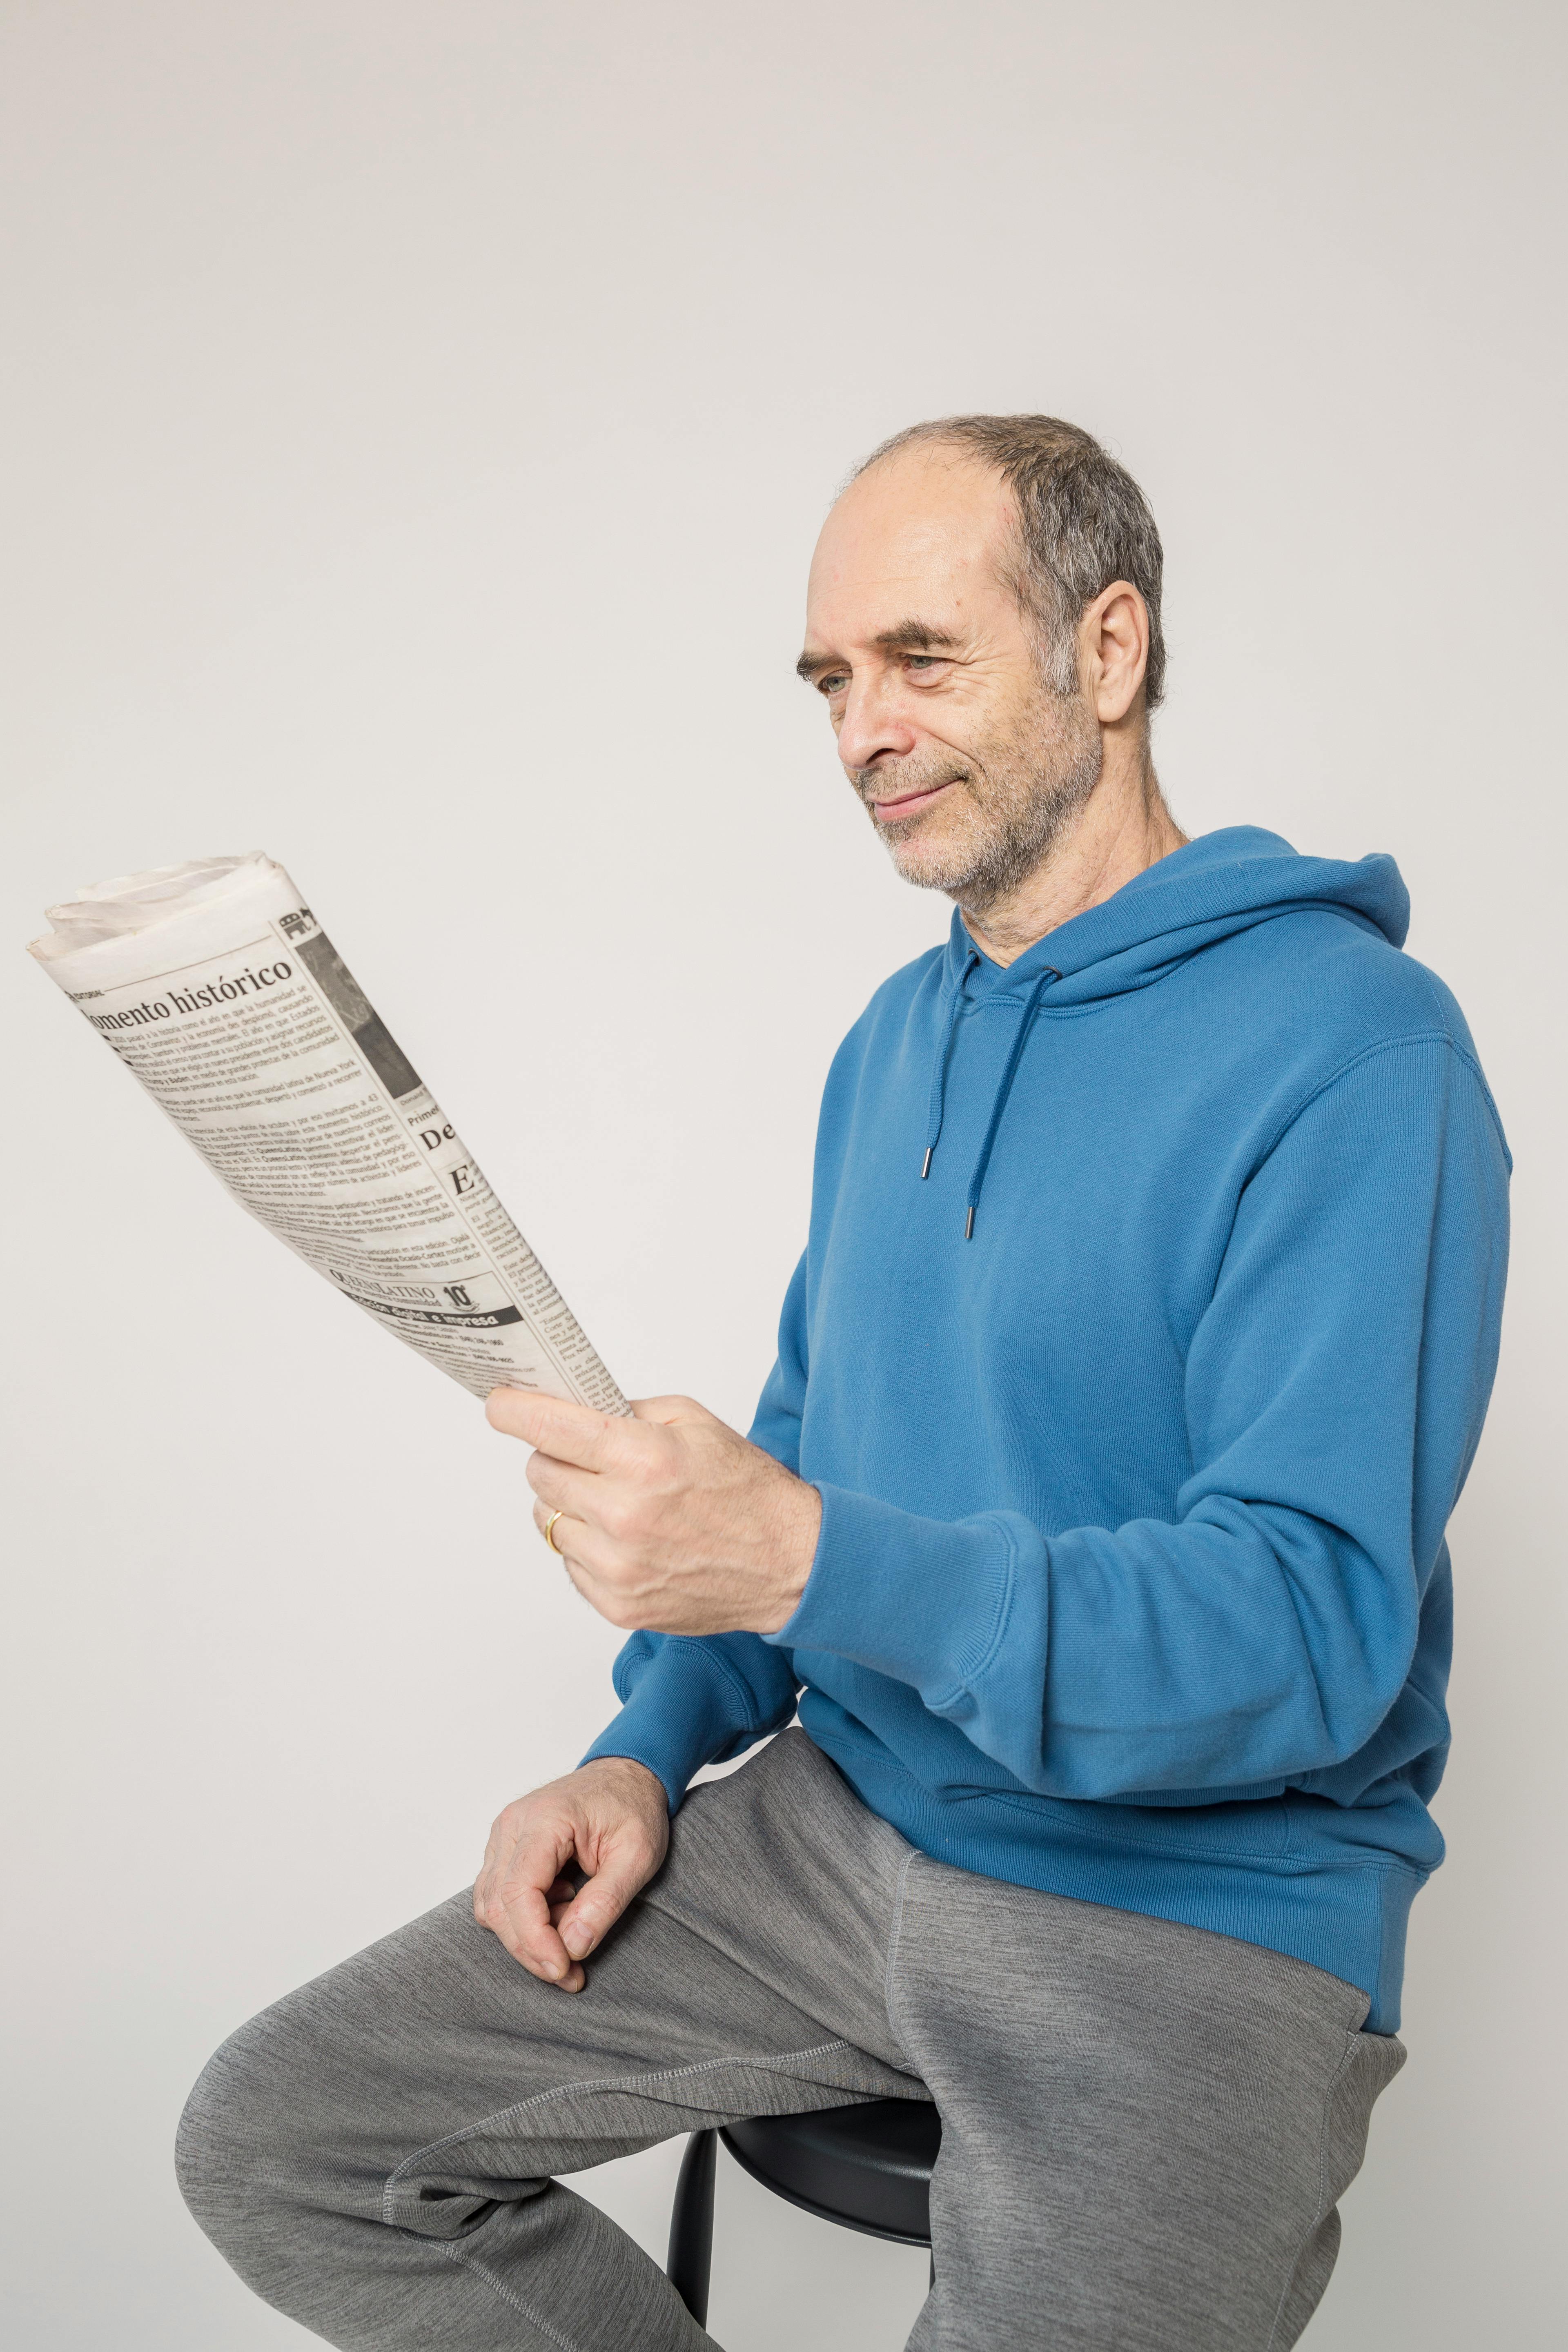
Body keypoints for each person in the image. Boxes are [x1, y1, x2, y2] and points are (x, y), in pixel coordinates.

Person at [175, 416, 1510, 2350]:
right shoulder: (896, 1039)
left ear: (1109, 652)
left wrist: (803, 1559)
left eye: (922, 659)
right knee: (285, 2139)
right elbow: (817, 1446)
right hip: (841, 1828)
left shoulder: (1359, 1051)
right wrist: (648, 1745)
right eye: (829, 680)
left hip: (1186, 1917)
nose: (861, 730)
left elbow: (1307, 1633)